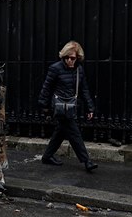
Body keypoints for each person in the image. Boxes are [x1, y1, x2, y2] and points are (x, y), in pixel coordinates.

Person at [38, 41, 98, 172]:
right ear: (63, 56)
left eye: (72, 58)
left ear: (78, 57)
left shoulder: (79, 70)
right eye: (67, 57)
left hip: (71, 106)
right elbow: (46, 88)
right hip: (59, 107)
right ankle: (86, 161)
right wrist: (44, 106)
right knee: (74, 132)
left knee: (60, 132)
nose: (69, 60)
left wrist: (90, 108)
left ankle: (47, 156)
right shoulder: (55, 68)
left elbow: (84, 90)